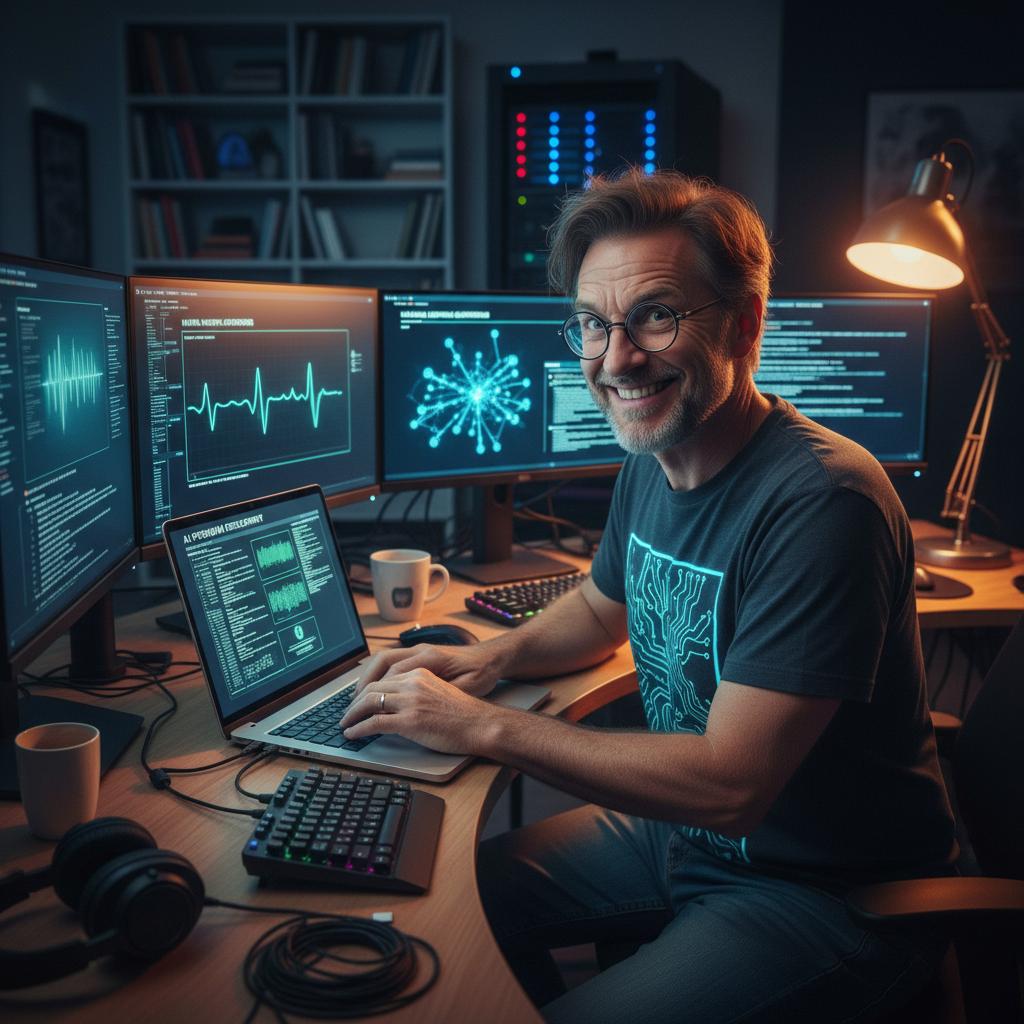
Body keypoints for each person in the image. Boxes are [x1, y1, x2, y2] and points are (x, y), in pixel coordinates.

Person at [340, 169, 956, 1022]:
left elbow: (732, 784)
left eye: (656, 316)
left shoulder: (823, 502)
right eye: (593, 324)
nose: (616, 358)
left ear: (744, 324)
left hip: (823, 895)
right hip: (684, 839)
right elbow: (601, 611)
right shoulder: (656, 455)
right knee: (432, 900)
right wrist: (488, 661)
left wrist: (480, 725)